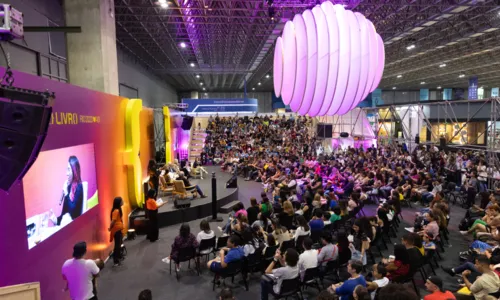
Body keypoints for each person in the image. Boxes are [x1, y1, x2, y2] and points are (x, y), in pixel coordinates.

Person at [56, 156, 84, 225]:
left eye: (68, 169)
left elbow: (73, 213)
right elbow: (64, 213)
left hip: (75, 227)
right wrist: (56, 220)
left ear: (74, 171)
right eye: (66, 170)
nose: (66, 174)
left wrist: (66, 193)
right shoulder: (68, 187)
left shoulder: (79, 187)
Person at [108, 196, 125, 266]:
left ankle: (118, 256)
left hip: (118, 229)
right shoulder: (116, 211)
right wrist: (110, 228)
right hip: (116, 230)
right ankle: (116, 261)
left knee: (119, 243)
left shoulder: (118, 209)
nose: (123, 201)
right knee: (117, 245)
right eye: (122, 200)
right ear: (119, 203)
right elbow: (113, 220)